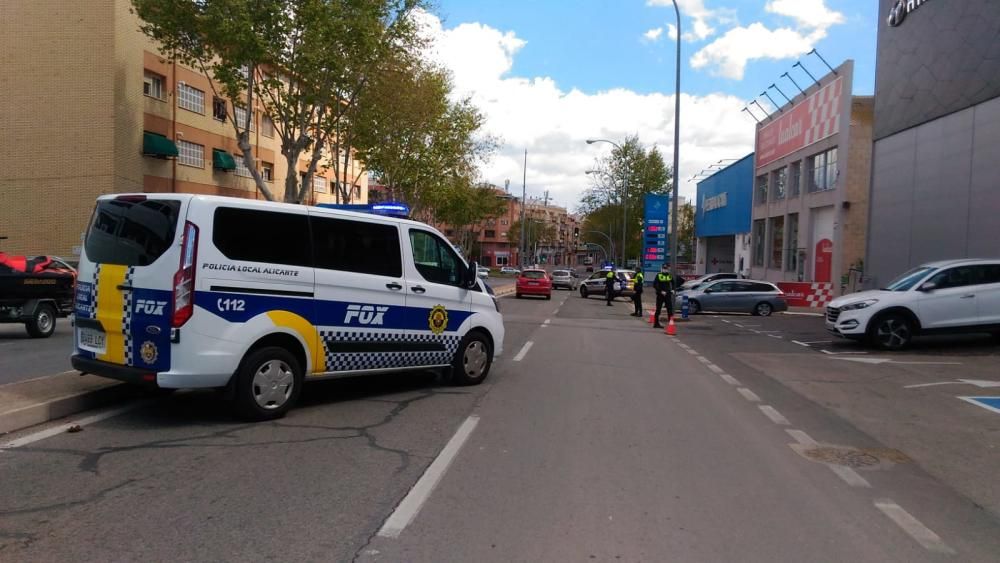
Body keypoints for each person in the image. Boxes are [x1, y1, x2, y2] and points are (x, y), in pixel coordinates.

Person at [652, 264, 673, 328]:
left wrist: (673, 290)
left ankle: (670, 323)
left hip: (668, 294)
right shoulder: (659, 275)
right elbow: (654, 285)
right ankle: (656, 324)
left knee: (670, 309)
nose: (665, 270)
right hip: (660, 295)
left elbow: (673, 283)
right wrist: (660, 291)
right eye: (664, 268)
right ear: (662, 269)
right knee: (658, 309)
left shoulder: (669, 275)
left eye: (666, 268)